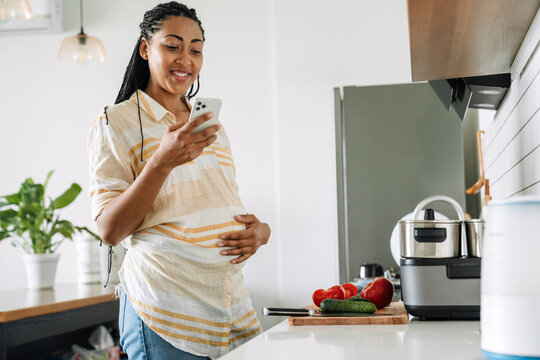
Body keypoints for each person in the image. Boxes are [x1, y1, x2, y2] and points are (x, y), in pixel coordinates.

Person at [87, 2, 271, 359]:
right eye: (172, 46)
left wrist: (260, 233)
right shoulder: (115, 123)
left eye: (196, 49)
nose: (185, 59)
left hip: (230, 306)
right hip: (167, 312)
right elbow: (110, 230)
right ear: (145, 49)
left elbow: (216, 204)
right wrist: (161, 162)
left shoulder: (209, 125)